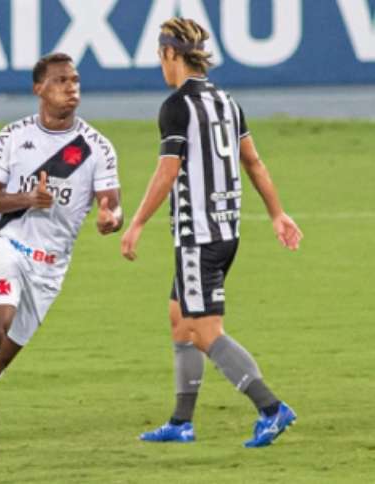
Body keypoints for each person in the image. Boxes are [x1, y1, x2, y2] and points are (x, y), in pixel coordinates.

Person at [0, 52, 124, 468]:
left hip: (50, 268)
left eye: (75, 81)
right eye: (61, 81)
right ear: (39, 89)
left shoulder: (97, 147)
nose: (72, 88)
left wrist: (110, 218)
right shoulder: (12, 137)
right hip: (6, 246)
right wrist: (28, 199)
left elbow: (112, 205)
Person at [120, 17, 303, 447]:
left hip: (197, 236)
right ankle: (181, 422)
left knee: (203, 330)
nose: (161, 66)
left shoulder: (176, 107)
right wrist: (277, 214)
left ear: (170, 54)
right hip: (226, 232)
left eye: (160, 57)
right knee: (179, 319)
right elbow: (253, 161)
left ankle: (272, 408)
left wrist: (137, 223)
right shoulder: (227, 101)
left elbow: (167, 174)